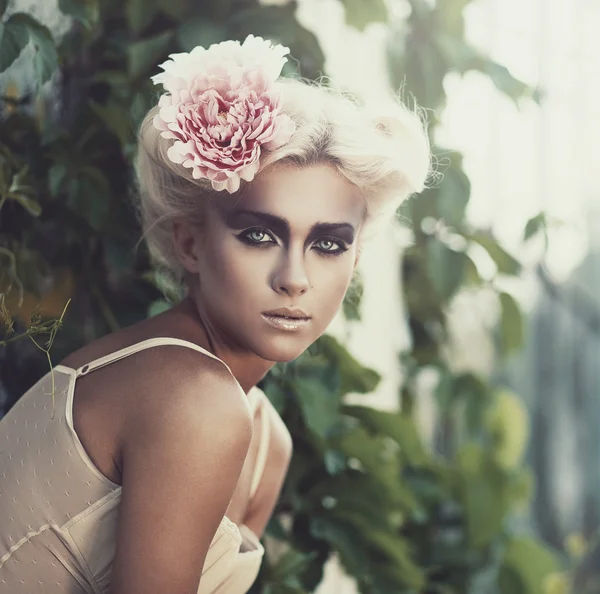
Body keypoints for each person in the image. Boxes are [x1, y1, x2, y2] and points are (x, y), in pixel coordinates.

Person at [0, 35, 431, 594]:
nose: (294, 278)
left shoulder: (265, 442)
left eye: (328, 245)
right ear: (191, 244)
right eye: (258, 234)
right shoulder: (191, 395)